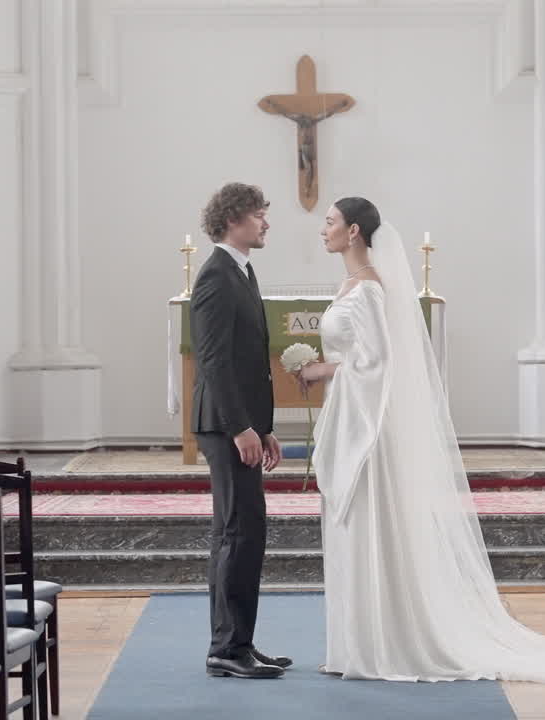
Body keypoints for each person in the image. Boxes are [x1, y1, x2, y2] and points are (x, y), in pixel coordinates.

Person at [296, 197, 545, 683]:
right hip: (352, 416)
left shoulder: (369, 290)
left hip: (369, 430)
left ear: (354, 231)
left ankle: (382, 647)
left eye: (330, 222)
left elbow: (378, 364)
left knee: (366, 525)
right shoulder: (351, 285)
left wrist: (320, 369)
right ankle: (357, 646)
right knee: (348, 529)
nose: (323, 230)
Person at [190, 182, 292, 679]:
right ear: (233, 219)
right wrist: (239, 428)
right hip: (224, 426)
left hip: (241, 425)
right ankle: (226, 650)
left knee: (244, 531)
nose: (266, 222)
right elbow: (213, 361)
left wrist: (262, 427)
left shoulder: (241, 271)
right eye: (259, 214)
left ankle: (239, 643)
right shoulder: (215, 275)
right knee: (236, 532)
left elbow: (249, 362)